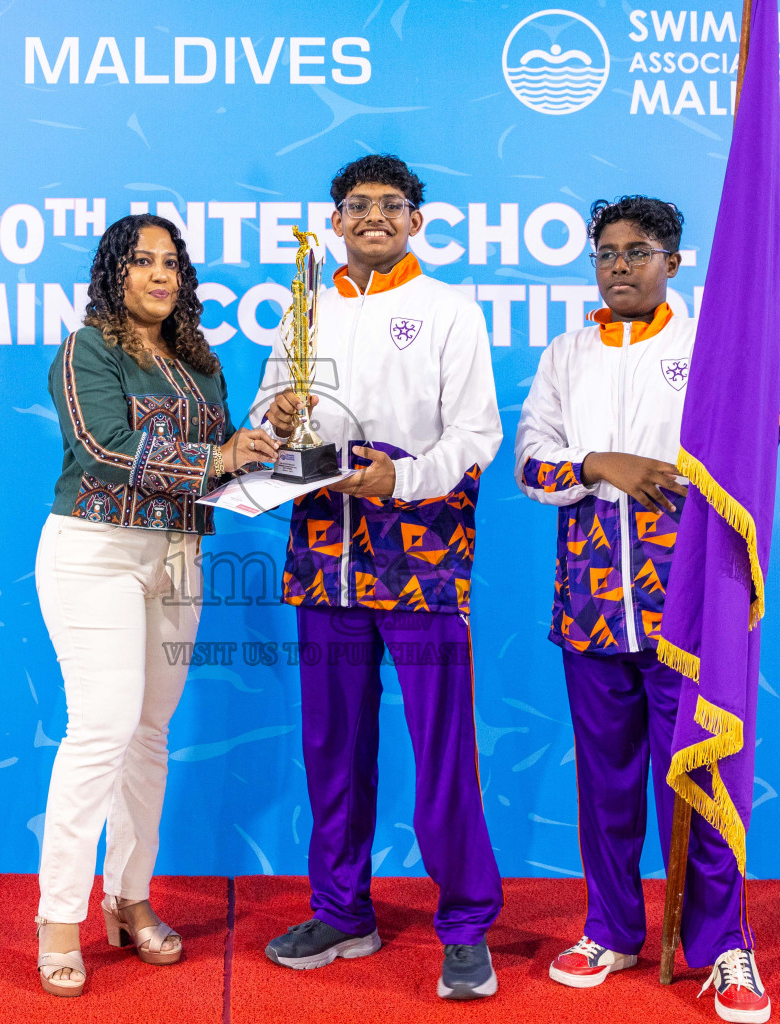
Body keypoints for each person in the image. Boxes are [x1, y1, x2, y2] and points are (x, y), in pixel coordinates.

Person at [513, 196, 770, 1023]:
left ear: (675, 262)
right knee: (607, 781)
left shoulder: (709, 349)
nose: (620, 265)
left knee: (699, 777)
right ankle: (612, 927)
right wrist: (601, 462)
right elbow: (530, 465)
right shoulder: (568, 353)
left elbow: (754, 447)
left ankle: (724, 945)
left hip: (686, 614)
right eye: (606, 252)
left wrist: (689, 472)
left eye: (639, 251)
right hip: (590, 607)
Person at [256, 155, 505, 1001]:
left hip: (422, 564)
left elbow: (476, 436)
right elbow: (268, 413)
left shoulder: (447, 311)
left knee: (441, 750)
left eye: (390, 205)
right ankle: (341, 909)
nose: (372, 216)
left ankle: (467, 923)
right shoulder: (305, 309)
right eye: (355, 204)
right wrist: (276, 415)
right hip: (324, 562)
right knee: (331, 746)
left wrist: (400, 480)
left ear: (415, 220)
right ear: (334, 220)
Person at [33, 214, 278, 997]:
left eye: (171, 263)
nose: (160, 274)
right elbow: (104, 449)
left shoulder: (200, 364)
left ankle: (129, 897)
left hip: (178, 558)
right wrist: (218, 455)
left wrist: (272, 458)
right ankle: (58, 917)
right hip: (95, 552)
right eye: (141, 261)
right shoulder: (87, 350)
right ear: (114, 272)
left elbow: (219, 466)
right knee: (100, 728)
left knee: (147, 736)